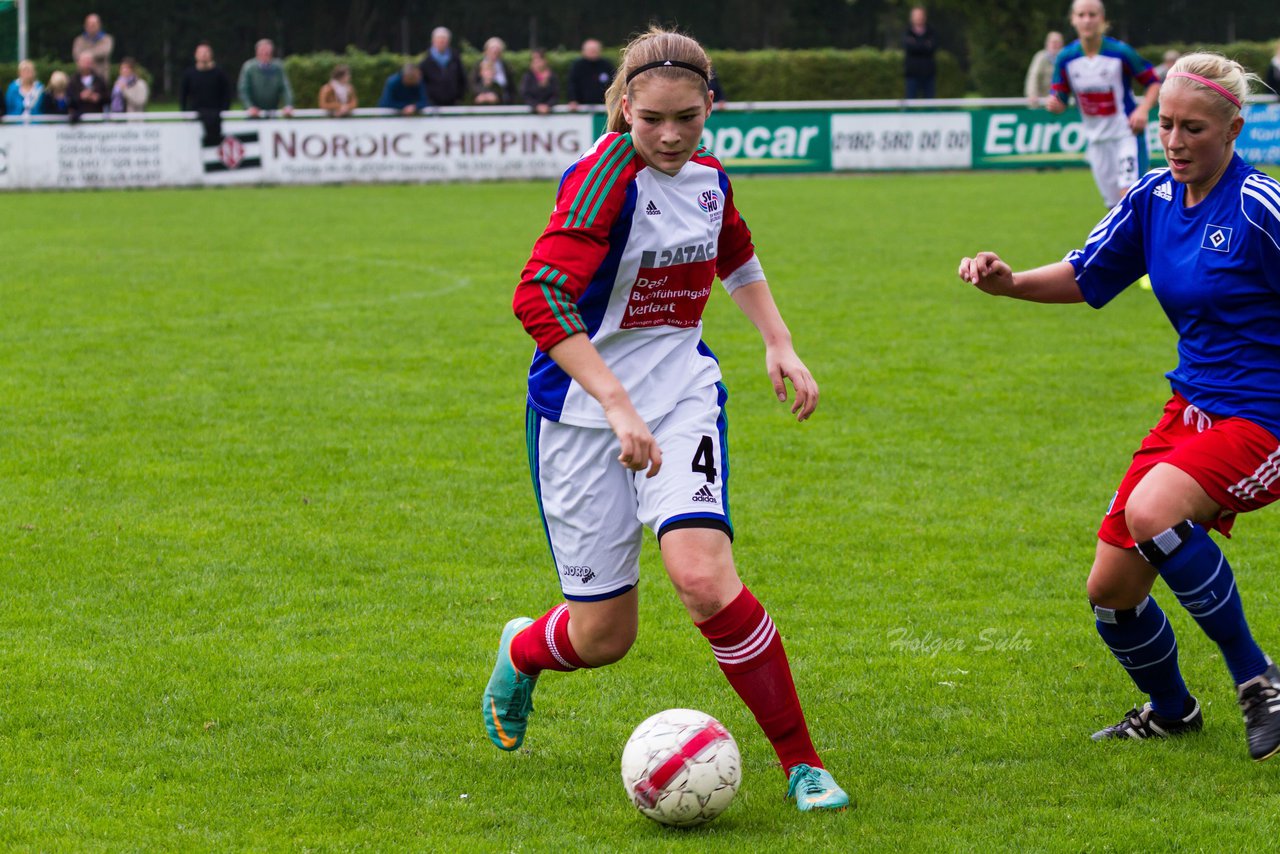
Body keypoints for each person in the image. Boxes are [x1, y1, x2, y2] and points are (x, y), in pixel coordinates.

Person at [485, 26, 851, 813]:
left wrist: (778, 343)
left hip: (683, 397)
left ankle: (802, 764)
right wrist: (615, 403)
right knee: (603, 640)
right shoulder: (604, 179)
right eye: (652, 118)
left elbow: (734, 251)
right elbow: (537, 296)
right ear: (624, 107)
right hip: (582, 419)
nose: (671, 135)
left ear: (710, 105)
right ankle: (521, 652)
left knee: (703, 579)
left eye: (688, 116)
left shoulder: (709, 177)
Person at [958, 53, 1280, 762]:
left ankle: (1258, 679)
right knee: (1112, 591)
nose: (1173, 139)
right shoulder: (1154, 198)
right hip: (1190, 408)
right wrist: (1008, 283)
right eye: (1164, 123)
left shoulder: (1260, 207)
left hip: (1264, 416)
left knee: (1153, 512)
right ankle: (1173, 711)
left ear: (1234, 127)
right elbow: (1086, 272)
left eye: (1192, 127)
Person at [1048, 0, 1159, 208]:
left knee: (1130, 200)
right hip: (1096, 141)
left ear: (1103, 20)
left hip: (1126, 135)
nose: (1087, 20)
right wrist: (1055, 105)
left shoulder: (1120, 52)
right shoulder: (1065, 58)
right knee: (1113, 207)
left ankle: (1154, 240)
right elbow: (1059, 98)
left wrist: (1143, 110)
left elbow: (1153, 82)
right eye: (1081, 15)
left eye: (1092, 14)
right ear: (1073, 20)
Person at [181, 42, 233, 146]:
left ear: (211, 54)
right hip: (196, 114)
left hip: (216, 114)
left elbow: (227, 92)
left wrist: (224, 109)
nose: (204, 55)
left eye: (206, 52)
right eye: (201, 52)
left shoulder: (220, 73)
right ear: (196, 55)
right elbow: (183, 94)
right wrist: (184, 112)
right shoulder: (189, 74)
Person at [238, 39, 294, 118]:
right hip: (252, 115)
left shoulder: (278, 67)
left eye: (267, 53)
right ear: (257, 52)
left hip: (272, 113)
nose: (264, 54)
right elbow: (243, 90)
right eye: (262, 52)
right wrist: (249, 107)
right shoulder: (248, 67)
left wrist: (288, 105)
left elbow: (285, 88)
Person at [419, 26, 467, 107]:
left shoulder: (456, 59)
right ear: (433, 41)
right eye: (439, 39)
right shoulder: (425, 62)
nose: (441, 41)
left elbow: (462, 80)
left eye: (444, 39)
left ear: (448, 41)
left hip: (453, 104)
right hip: (432, 105)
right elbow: (421, 83)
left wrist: (459, 97)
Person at [566, 38, 614, 110]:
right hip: (581, 107)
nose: (593, 52)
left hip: (604, 107)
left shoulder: (607, 65)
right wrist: (573, 100)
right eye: (590, 50)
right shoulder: (577, 66)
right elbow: (572, 84)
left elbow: (614, 84)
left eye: (595, 50)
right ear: (584, 51)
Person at [902, 6, 937, 99]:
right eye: (916, 15)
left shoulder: (931, 32)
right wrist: (924, 45)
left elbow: (932, 48)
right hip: (912, 74)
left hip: (928, 74)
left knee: (930, 105)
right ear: (912, 17)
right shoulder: (907, 32)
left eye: (920, 15)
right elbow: (909, 48)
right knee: (910, 104)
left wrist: (916, 44)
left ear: (924, 17)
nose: (918, 18)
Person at [1025, 31, 1064, 107]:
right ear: (1047, 44)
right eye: (1053, 42)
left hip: (1062, 103)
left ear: (1062, 44)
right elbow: (1033, 77)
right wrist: (1032, 95)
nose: (1055, 45)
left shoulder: (1066, 58)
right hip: (1042, 102)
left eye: (1057, 42)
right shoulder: (1040, 57)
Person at [471, 37, 515, 104]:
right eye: (492, 51)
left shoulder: (505, 66)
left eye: (497, 51)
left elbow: (510, 87)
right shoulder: (479, 64)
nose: (494, 53)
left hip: (502, 102)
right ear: (486, 51)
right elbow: (473, 83)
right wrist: (483, 94)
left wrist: (497, 96)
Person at [68, 50, 109, 122]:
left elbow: (108, 98)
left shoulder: (100, 80)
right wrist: (80, 96)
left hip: (97, 120)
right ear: (79, 63)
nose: (87, 64)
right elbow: (68, 100)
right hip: (78, 122)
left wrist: (98, 98)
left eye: (89, 62)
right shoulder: (73, 80)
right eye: (84, 62)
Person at [71, 13, 113, 83]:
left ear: (99, 25)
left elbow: (104, 52)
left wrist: (85, 56)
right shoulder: (79, 40)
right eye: (89, 24)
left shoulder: (107, 39)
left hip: (101, 78)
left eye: (93, 24)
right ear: (85, 26)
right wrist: (92, 54)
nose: (91, 26)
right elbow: (76, 55)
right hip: (82, 79)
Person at [520, 49, 558, 114]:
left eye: (539, 59)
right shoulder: (528, 76)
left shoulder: (552, 76)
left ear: (545, 61)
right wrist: (536, 106)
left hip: (549, 114)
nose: (536, 61)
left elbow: (555, 95)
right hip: (531, 114)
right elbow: (525, 95)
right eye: (534, 59)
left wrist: (548, 106)